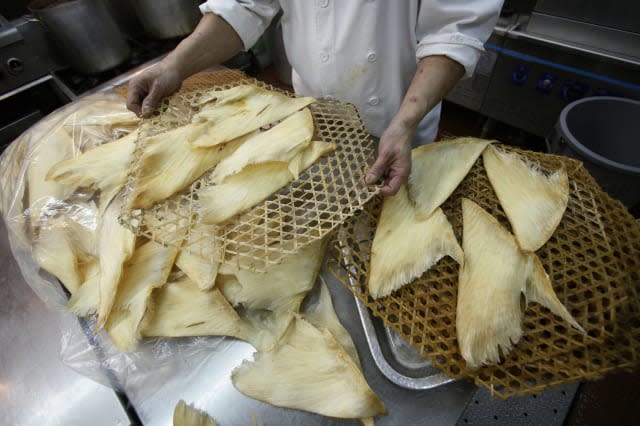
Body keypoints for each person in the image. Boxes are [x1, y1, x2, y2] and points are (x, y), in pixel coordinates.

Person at [127, 0, 502, 196]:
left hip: (399, 121)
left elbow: (453, 31)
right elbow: (244, 5)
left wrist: (404, 123)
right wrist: (175, 65)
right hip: (310, 119)